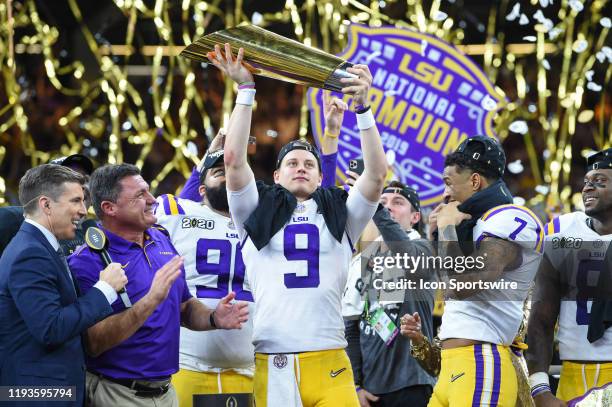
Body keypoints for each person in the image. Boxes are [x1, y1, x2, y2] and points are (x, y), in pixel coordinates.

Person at [207, 43, 387, 406]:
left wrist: (363, 110)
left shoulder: (341, 214)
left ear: (321, 178)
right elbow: (233, 159)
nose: (301, 167)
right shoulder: (253, 211)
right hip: (274, 358)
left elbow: (377, 174)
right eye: (292, 163)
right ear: (276, 176)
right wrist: (245, 89)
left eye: (309, 163)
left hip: (331, 357)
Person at [67, 163, 249, 407]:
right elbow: (95, 343)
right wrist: (151, 299)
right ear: (110, 208)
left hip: (167, 392)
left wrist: (214, 318)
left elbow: (185, 306)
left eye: (148, 191)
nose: (152, 199)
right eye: (140, 195)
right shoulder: (87, 261)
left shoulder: (160, 238)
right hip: (117, 393)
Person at [402, 136, 544, 407]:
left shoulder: (510, 219)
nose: (444, 194)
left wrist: (446, 228)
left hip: (481, 361)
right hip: (452, 368)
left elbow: (460, 286)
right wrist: (438, 236)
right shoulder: (473, 225)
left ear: (476, 181)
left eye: (448, 183)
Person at [0, 164, 127, 407]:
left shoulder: (41, 246)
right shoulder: (30, 253)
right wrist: (105, 290)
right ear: (46, 204)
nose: (83, 210)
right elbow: (51, 328)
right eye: (76, 201)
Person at [154, 144, 256, 405]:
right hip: (189, 363)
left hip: (250, 367)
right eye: (218, 172)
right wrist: (205, 159)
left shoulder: (263, 221)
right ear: (201, 189)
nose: (229, 175)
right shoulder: (178, 211)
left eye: (233, 170)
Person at [526, 148, 612, 406]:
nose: (587, 188)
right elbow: (541, 320)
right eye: (586, 182)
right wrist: (540, 390)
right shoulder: (562, 235)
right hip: (573, 375)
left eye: (600, 181)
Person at [344, 181, 436, 407]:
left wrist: (373, 203)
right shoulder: (361, 261)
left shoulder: (424, 249)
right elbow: (353, 327)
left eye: (398, 202)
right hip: (371, 391)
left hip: (412, 385)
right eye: (382, 202)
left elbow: (404, 253)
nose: (388, 207)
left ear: (415, 217)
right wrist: (356, 384)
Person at [0, 154, 95, 256]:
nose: (79, 185)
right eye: (69, 178)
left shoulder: (95, 238)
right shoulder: (12, 219)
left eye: (85, 179)